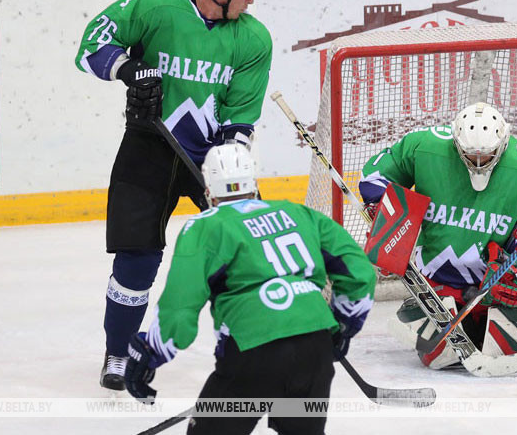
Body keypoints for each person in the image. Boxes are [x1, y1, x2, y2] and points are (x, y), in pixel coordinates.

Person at [73, 0, 273, 390]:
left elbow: (240, 116)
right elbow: (91, 46)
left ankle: (259, 348)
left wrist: (229, 164)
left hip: (213, 158)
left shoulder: (254, 40)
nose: (251, 2)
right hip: (148, 145)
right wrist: (128, 69)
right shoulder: (155, 5)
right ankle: (119, 351)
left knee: (247, 251)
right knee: (137, 256)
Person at [124, 143, 377, 434]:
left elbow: (181, 306)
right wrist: (342, 326)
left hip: (252, 352)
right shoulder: (298, 213)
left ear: (209, 191)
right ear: (254, 183)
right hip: (314, 348)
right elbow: (359, 273)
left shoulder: (206, 226)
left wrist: (150, 350)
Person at [359, 102, 517, 370]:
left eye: (488, 154)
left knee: (511, 329)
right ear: (456, 142)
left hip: (493, 284)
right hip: (437, 285)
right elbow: (375, 176)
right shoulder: (424, 146)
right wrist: (384, 210)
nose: (480, 162)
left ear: (503, 141)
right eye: (470, 155)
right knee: (437, 352)